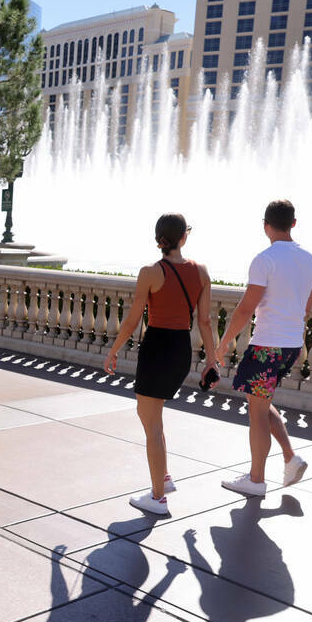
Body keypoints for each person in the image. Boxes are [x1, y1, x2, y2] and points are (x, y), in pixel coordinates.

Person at [103, 214, 218, 516]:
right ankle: (163, 478)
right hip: (181, 349)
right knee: (155, 418)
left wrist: (113, 350)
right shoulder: (201, 272)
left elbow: (132, 320)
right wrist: (211, 361)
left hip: (157, 347)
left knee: (150, 421)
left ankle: (157, 498)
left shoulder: (150, 273)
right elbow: (205, 322)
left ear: (159, 239)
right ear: (183, 237)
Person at [216, 199, 312, 497]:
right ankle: (291, 458)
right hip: (291, 346)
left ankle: (256, 479)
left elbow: (245, 309)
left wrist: (223, 345)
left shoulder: (265, 259)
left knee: (257, 413)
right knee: (260, 402)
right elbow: (305, 309)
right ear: (294, 223)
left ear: (265, 226)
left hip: (267, 344)